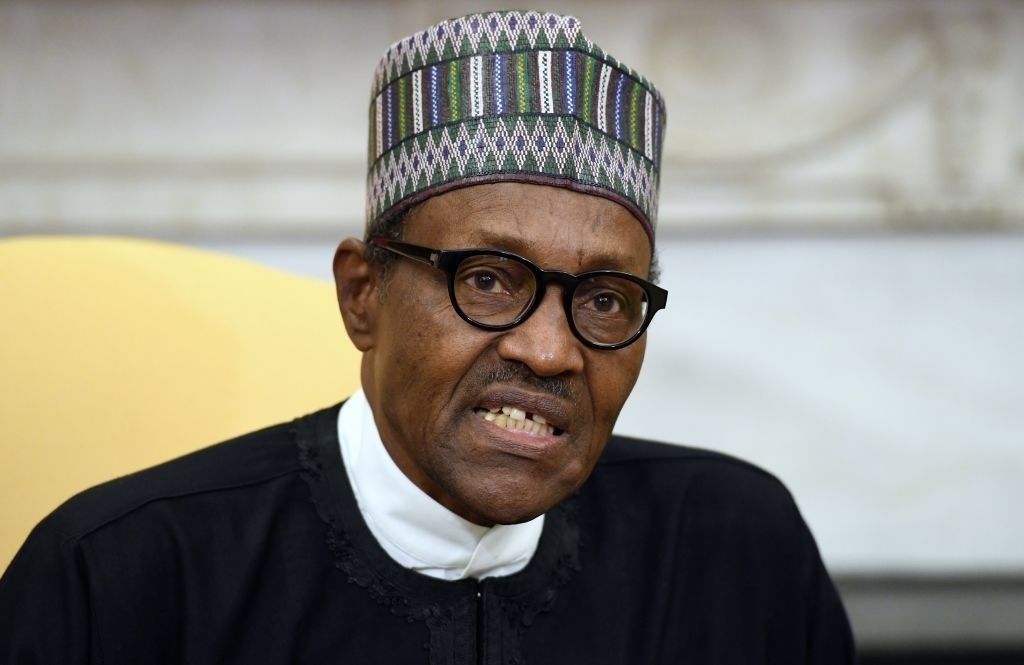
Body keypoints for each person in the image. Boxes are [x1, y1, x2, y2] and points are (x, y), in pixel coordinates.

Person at [0, 10, 854, 663]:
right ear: (363, 295)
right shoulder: (123, 575)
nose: (551, 351)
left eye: (603, 299)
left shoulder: (734, 548)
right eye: (487, 279)